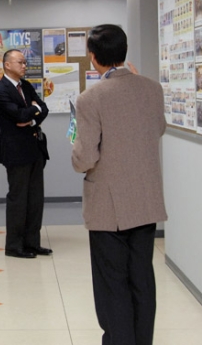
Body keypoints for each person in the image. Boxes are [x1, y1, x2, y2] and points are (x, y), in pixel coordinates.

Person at [72, 24, 168, 345]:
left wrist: (75, 152)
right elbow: (158, 129)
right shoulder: (152, 88)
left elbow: (84, 157)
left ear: (93, 56)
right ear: (124, 52)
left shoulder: (91, 98)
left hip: (108, 207)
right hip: (145, 200)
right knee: (142, 277)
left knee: (112, 282)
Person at [0, 49, 51, 259]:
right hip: (16, 152)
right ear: (7, 65)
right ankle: (14, 246)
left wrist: (33, 117)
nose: (25, 66)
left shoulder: (25, 86)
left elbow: (43, 108)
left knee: (35, 199)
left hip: (35, 149)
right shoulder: (0, 89)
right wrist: (32, 110)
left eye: (25, 62)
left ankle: (32, 243)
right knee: (18, 199)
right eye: (20, 62)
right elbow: (17, 115)